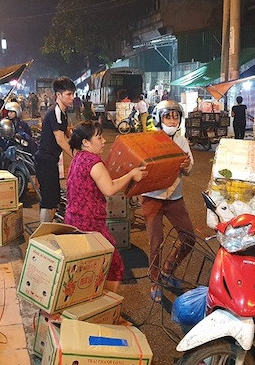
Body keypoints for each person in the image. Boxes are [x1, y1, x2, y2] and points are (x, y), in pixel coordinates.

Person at [65, 121, 147, 291]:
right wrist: (131, 174)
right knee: (114, 266)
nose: (104, 141)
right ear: (86, 142)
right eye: (99, 137)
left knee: (85, 265)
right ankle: (107, 307)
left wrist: (128, 176)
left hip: (73, 220)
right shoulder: (94, 162)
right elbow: (109, 189)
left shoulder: (78, 158)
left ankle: (87, 299)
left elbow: (106, 183)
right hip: (91, 224)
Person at [142, 100, 195, 302]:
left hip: (175, 198)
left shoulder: (182, 141)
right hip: (152, 198)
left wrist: (186, 164)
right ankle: (155, 281)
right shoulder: (151, 140)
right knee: (156, 242)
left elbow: (189, 169)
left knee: (189, 238)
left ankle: (168, 269)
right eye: (167, 116)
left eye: (175, 116)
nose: (172, 120)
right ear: (158, 118)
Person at [35, 76, 75, 223]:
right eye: (68, 94)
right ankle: (42, 236)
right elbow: (60, 139)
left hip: (50, 161)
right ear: (58, 95)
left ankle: (47, 230)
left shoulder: (63, 113)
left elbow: (67, 136)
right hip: (45, 161)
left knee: (54, 198)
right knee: (49, 200)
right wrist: (76, 156)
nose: (72, 98)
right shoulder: (55, 112)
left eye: (73, 94)